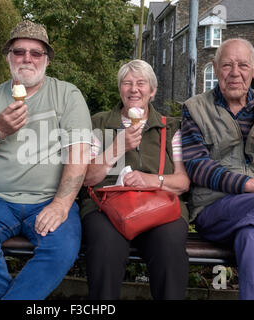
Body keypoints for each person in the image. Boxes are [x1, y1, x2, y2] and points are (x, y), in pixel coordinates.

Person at [0, 20, 92, 300]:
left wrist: (61, 204)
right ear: (9, 57)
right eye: (19, 51)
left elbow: (79, 153)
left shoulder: (67, 94)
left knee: (62, 248)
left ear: (47, 60)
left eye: (36, 52)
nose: (27, 58)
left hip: (48, 198)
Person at [181, 38, 254, 300]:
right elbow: (197, 167)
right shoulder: (195, 109)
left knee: (252, 241)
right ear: (215, 67)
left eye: (243, 65)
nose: (235, 73)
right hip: (213, 211)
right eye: (227, 65)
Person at [80, 59, 190, 300]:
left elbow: (182, 182)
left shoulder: (170, 127)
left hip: (160, 207)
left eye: (141, 83)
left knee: (169, 247)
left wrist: (153, 181)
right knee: (104, 248)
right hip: (105, 208)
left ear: (152, 91)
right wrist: (117, 147)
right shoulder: (99, 123)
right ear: (120, 89)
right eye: (127, 83)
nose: (133, 89)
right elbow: (87, 178)